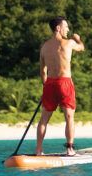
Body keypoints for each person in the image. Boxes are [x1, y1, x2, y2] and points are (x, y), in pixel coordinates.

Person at [36, 17, 85, 156]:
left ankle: (39, 150)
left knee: (44, 119)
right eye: (66, 27)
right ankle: (70, 149)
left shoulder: (44, 47)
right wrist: (77, 38)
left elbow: (43, 71)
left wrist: (46, 86)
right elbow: (81, 48)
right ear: (58, 28)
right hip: (65, 82)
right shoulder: (69, 43)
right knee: (69, 117)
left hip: (49, 83)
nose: (68, 30)